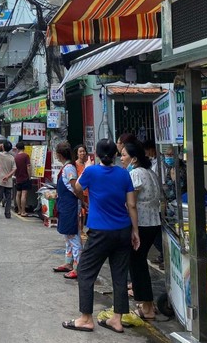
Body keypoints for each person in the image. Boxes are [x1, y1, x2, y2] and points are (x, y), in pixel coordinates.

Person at [62, 138, 139, 334]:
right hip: (123, 230)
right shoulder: (124, 174)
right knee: (120, 276)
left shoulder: (91, 171)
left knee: (86, 272)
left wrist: (87, 167)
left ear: (96, 155)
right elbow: (131, 205)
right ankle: (117, 319)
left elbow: (77, 189)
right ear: (115, 155)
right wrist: (135, 231)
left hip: (100, 232)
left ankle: (86, 318)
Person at [120, 141, 161, 320]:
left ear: (134, 158)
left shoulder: (135, 174)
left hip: (142, 224)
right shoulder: (150, 173)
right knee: (140, 262)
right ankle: (148, 303)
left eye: (124, 155)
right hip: (153, 223)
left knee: (137, 264)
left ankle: (147, 308)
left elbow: (132, 203)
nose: (121, 158)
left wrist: (133, 229)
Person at [52, 141, 83, 280]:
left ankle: (78, 267)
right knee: (67, 236)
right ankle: (69, 263)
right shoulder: (66, 167)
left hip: (70, 206)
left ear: (59, 155)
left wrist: (83, 202)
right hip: (65, 205)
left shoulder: (69, 168)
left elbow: (75, 188)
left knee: (73, 237)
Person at [74, 144, 89, 235]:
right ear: (77, 153)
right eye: (80, 151)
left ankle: (82, 230)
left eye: (83, 151)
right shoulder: (75, 165)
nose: (82, 153)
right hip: (79, 192)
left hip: (87, 192)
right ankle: (80, 230)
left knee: (85, 211)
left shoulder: (87, 164)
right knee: (81, 211)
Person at [13, 141, 32, 217]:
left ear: (17, 149)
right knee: (24, 194)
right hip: (25, 178)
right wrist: (29, 176)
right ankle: (23, 211)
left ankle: (19, 210)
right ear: (24, 148)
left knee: (18, 194)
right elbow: (28, 167)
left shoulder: (16, 157)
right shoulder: (26, 156)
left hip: (18, 178)